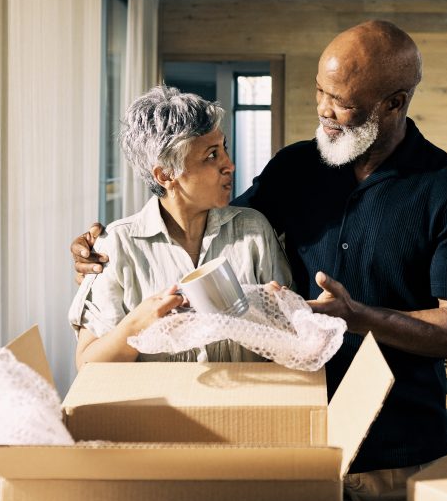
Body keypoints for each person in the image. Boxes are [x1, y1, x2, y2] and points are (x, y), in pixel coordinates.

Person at [72, 21, 447, 501]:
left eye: (343, 102)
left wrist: (358, 318)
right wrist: (95, 251)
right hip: (291, 436)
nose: (323, 110)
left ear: (393, 103)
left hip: (397, 444)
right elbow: (213, 222)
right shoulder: (296, 168)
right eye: (320, 91)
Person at [68, 86, 292, 369]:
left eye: (224, 148)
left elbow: (290, 346)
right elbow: (87, 365)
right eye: (212, 155)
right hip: (157, 413)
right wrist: (137, 323)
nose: (229, 165)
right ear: (166, 174)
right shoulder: (117, 245)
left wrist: (274, 318)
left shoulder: (253, 232)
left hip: (243, 409)